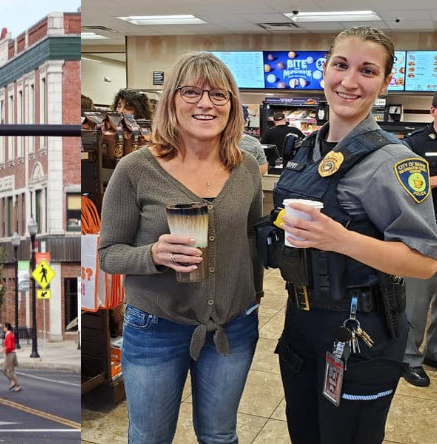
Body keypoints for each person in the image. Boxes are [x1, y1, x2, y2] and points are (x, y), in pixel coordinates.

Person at [266, 27, 437, 443]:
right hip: (301, 319)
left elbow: (425, 259)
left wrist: (338, 238)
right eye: (340, 65)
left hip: (361, 329)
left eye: (367, 70)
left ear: (386, 81)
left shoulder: (394, 161)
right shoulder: (307, 149)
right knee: (304, 431)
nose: (349, 81)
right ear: (324, 70)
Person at [99, 52, 263, 444]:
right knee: (149, 437)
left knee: (220, 435)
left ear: (232, 106)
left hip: (232, 326)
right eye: (191, 92)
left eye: (218, 95)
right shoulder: (135, 169)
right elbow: (108, 253)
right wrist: (152, 255)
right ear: (171, 100)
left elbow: (252, 242)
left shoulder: (246, 169)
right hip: (155, 327)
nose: (205, 104)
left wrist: (253, 297)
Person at [403, 91, 437, 387]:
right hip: (426, 233)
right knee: (417, 301)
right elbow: (404, 188)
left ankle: (434, 353)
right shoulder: (415, 143)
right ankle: (409, 358)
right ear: (433, 111)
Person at [1, 323, 22, 392]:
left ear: (7, 327)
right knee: (4, 369)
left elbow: (10, 347)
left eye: (4, 327)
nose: (3, 328)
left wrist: (3, 349)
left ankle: (18, 385)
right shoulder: (8, 334)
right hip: (9, 354)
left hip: (11, 354)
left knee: (11, 371)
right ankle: (12, 381)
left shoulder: (9, 335)